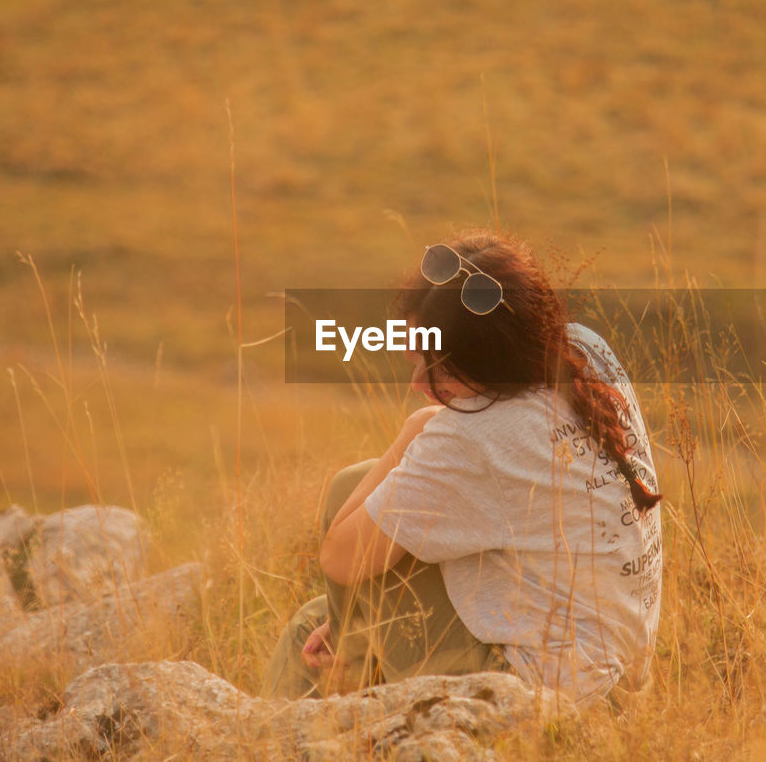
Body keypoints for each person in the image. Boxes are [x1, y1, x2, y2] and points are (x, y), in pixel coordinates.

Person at [263, 232, 663, 707]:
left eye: (432, 368)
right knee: (312, 625)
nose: (416, 383)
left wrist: (417, 426)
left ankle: (334, 692)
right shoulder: (585, 350)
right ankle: (343, 679)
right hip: (623, 682)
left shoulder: (471, 441)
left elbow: (339, 559)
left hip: (546, 698)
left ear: (486, 364)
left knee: (349, 495)